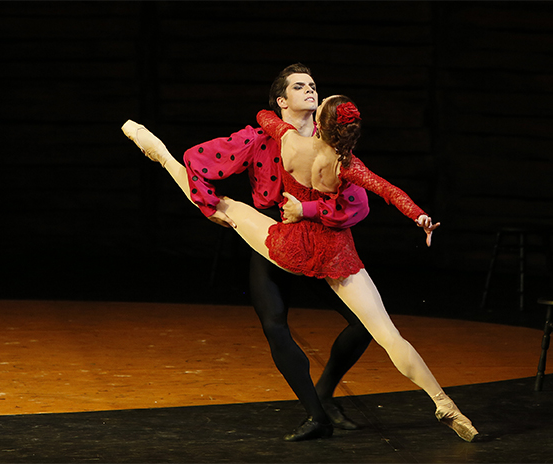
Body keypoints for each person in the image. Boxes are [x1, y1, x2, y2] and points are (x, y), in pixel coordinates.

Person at [122, 94, 480, 443]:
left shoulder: (291, 141)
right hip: (335, 254)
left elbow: (265, 119)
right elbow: (387, 190)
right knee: (389, 335)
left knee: (226, 209)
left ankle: (160, 155)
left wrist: (272, 115)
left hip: (290, 245)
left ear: (320, 125)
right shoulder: (348, 166)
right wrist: (419, 215)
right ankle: (445, 405)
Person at [123, 64, 373, 442]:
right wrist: (211, 206)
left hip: (320, 242)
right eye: (299, 86)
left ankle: (324, 393)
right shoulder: (258, 137)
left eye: (313, 85)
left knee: (363, 323)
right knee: (274, 324)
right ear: (281, 100)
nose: (310, 90)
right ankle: (316, 414)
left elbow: (356, 198)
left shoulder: (331, 140)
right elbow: (197, 158)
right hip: (272, 237)